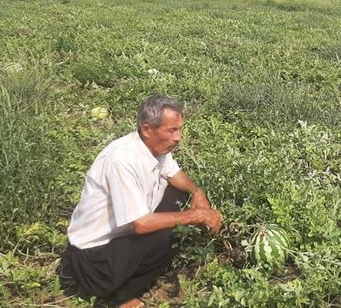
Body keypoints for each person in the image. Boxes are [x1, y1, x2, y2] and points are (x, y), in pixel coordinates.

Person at [66, 95, 223, 308]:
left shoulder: (153, 147)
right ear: (148, 129)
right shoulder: (122, 160)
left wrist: (198, 192)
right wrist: (198, 215)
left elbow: (175, 174)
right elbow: (141, 224)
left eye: (179, 130)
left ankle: (127, 278)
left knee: (180, 196)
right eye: (172, 131)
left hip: (119, 240)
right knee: (168, 234)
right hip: (94, 262)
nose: (179, 138)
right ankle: (122, 295)